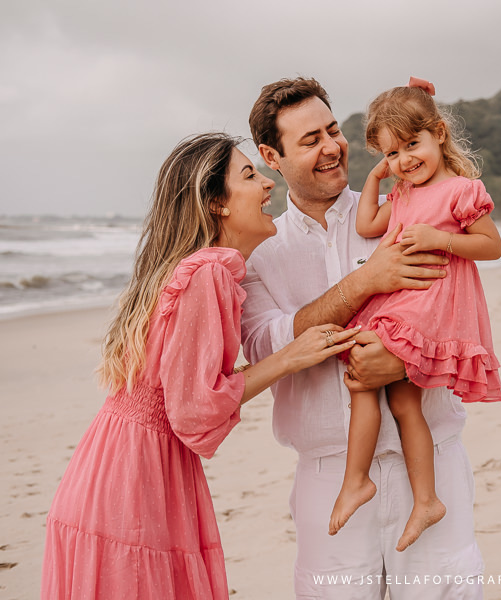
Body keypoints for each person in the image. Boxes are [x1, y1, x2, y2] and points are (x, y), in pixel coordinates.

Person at [41, 133, 358, 600]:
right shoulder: (207, 273)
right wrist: (288, 356)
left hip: (115, 465)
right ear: (217, 204)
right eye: (249, 175)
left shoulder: (197, 268)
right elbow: (193, 410)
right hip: (135, 479)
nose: (267, 184)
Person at [242, 76, 486, 599]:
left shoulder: (403, 207)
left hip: (432, 459)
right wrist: (362, 283)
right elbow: (265, 348)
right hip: (330, 475)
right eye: (310, 140)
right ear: (271, 155)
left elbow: (454, 300)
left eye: (333, 130)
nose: (332, 147)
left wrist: (405, 362)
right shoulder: (260, 248)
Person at [329, 77, 501, 552]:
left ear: (439, 133)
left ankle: (355, 482)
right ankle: (420, 499)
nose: (404, 160)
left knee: (365, 379)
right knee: (397, 400)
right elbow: (366, 223)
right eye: (391, 154)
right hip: (398, 303)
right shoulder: (402, 192)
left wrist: (439, 239)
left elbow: (491, 246)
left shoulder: (462, 191)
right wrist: (374, 179)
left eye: (412, 144)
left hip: (426, 309)